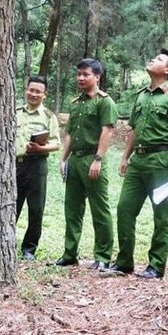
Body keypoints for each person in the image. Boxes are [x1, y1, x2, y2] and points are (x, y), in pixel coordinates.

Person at [104, 49, 168, 280]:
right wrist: (125, 157)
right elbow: (133, 130)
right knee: (125, 208)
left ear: (167, 70)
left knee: (161, 215)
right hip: (138, 162)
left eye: (159, 60)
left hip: (161, 162)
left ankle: (156, 265)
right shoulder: (142, 95)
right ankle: (124, 262)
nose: (152, 60)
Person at [52, 58, 118, 269]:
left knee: (100, 209)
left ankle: (103, 256)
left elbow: (107, 131)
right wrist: (63, 159)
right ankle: (70, 254)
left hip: (92, 158)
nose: (81, 78)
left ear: (97, 77)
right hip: (75, 159)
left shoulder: (104, 101)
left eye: (86, 74)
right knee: (72, 209)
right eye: (79, 74)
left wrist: (98, 159)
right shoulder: (75, 103)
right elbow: (70, 133)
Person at [15, 75, 60, 260]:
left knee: (36, 209)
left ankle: (29, 250)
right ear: (26, 90)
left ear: (44, 95)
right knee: (10, 206)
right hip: (14, 166)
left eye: (37, 92)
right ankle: (6, 244)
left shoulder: (49, 116)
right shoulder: (15, 112)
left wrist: (41, 148)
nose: (33, 94)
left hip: (36, 165)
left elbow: (56, 144)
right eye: (30, 90)